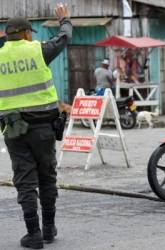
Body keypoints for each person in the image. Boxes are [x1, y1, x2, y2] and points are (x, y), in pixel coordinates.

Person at [0, 3, 72, 249]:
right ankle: (49, 228)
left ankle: (34, 234)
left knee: (25, 181)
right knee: (47, 177)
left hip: (14, 129)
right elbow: (64, 38)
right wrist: (64, 20)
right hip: (44, 128)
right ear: (27, 33)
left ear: (7, 35)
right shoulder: (39, 50)